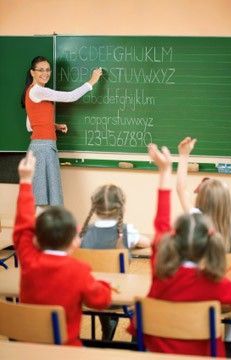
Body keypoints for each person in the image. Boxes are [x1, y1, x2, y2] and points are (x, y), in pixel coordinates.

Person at [128, 143, 231, 357]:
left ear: (174, 240)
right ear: (210, 245)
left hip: (157, 352)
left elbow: (161, 224)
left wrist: (165, 171)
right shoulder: (216, 284)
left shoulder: (160, 269)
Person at [13, 151, 112, 346]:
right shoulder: (79, 270)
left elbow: (22, 228)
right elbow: (101, 301)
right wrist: (105, 285)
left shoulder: (29, 260)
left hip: (29, 348)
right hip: (66, 350)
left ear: (37, 240)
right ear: (75, 241)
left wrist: (26, 182)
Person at [21, 55, 102, 209]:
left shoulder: (32, 91)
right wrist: (92, 81)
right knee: (43, 202)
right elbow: (70, 97)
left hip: (41, 147)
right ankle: (42, 232)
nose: (45, 73)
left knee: (44, 199)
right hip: (43, 149)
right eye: (40, 70)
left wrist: (54, 126)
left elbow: (30, 125)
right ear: (32, 72)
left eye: (47, 70)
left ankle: (45, 232)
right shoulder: (37, 91)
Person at [80, 184, 150, 341]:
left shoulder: (83, 232)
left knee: (99, 280)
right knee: (145, 297)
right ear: (122, 207)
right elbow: (147, 243)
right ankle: (135, 341)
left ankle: (107, 325)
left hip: (90, 297)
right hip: (120, 297)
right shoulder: (126, 231)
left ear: (95, 207)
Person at [176, 137, 231, 253]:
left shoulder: (196, 221)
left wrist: (184, 155)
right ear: (227, 203)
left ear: (201, 200)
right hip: (228, 271)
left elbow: (181, 189)